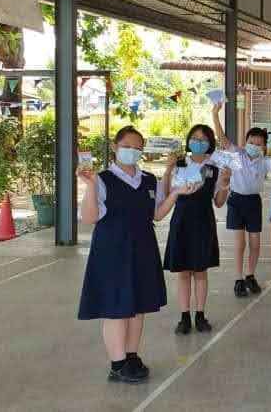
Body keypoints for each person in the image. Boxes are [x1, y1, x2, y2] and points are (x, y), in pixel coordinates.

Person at [78, 126, 194, 384]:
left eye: (137, 147)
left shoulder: (148, 180)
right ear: (115, 147)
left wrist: (175, 194)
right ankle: (117, 364)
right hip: (111, 252)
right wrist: (89, 186)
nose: (132, 151)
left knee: (137, 307)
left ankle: (131, 356)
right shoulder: (102, 179)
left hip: (142, 250)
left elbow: (156, 214)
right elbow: (89, 218)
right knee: (116, 309)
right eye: (127, 146)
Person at [162, 124, 229, 335]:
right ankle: (184, 317)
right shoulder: (179, 164)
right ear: (189, 140)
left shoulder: (215, 168)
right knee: (183, 272)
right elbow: (166, 194)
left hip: (203, 222)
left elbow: (218, 202)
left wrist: (226, 184)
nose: (198, 142)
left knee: (200, 272)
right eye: (194, 138)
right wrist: (167, 170)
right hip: (181, 221)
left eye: (203, 139)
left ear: (209, 143)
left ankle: (200, 315)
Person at [212, 102, 271, 298]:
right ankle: (238, 278)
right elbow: (222, 138)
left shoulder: (263, 161)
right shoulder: (237, 154)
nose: (254, 145)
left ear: (264, 146)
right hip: (236, 201)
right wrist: (215, 115)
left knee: (255, 243)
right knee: (239, 243)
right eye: (251, 141)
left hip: (253, 203)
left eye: (259, 143)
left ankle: (250, 275)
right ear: (245, 142)